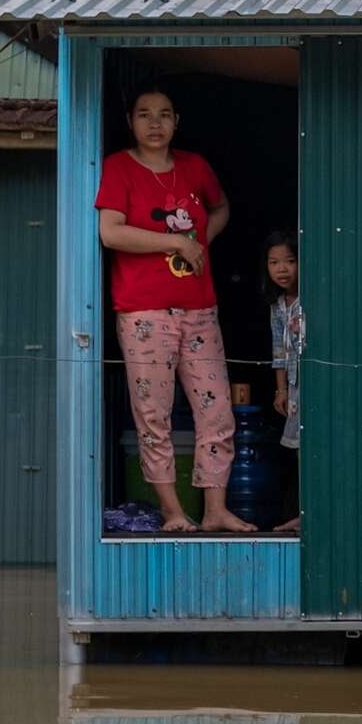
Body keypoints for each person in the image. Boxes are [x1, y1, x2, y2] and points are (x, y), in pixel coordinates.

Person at [95, 84, 255, 533]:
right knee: (154, 413)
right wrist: (175, 242)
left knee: (217, 411)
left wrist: (199, 242)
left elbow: (220, 208)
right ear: (131, 121)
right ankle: (172, 511)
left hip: (200, 308)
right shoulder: (119, 168)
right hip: (145, 312)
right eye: (144, 114)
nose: (154, 123)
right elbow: (111, 232)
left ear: (176, 121)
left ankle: (215, 511)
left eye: (164, 114)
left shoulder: (193, 166)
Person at [264, 231, 304, 533]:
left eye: (290, 261)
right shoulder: (278, 307)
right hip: (294, 386)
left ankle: (311, 512)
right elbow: (278, 350)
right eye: (274, 262)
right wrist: (281, 390)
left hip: (313, 381)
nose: (282, 269)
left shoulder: (310, 299)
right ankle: (305, 512)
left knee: (313, 448)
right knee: (300, 452)